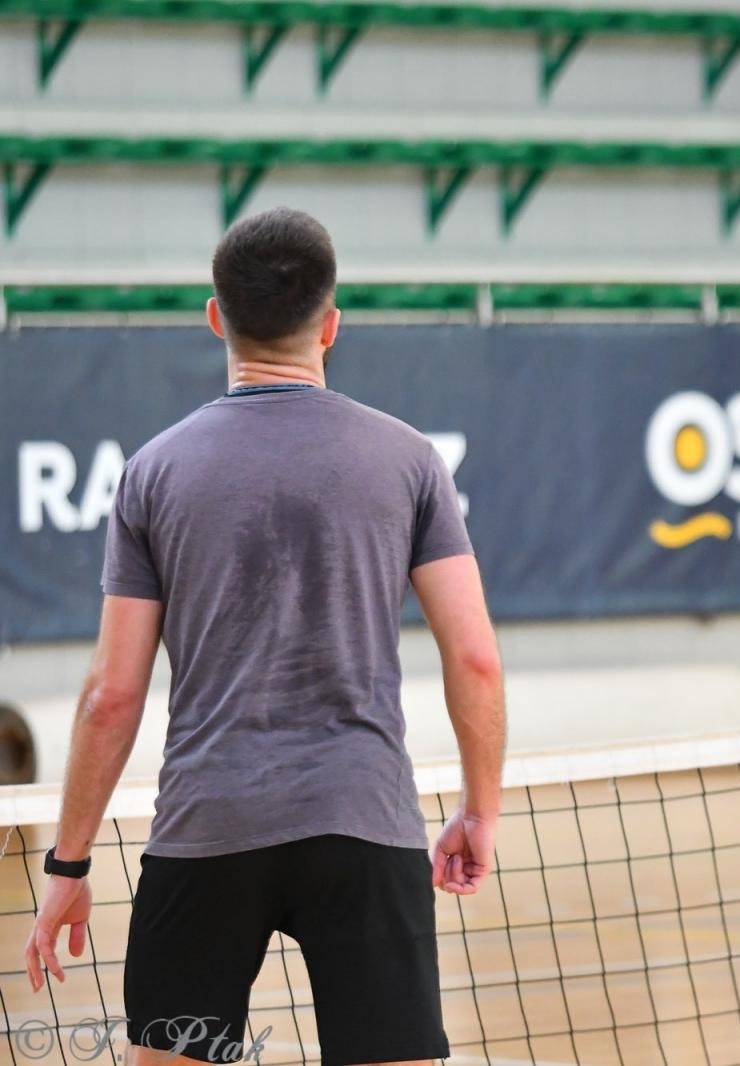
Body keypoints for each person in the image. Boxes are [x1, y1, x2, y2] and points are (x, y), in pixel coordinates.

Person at [22, 207, 506, 1066]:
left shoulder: (153, 471)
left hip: (208, 828)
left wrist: (67, 865)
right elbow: (474, 656)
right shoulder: (409, 460)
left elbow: (111, 696)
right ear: (330, 324)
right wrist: (478, 811)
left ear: (216, 316)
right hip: (364, 821)